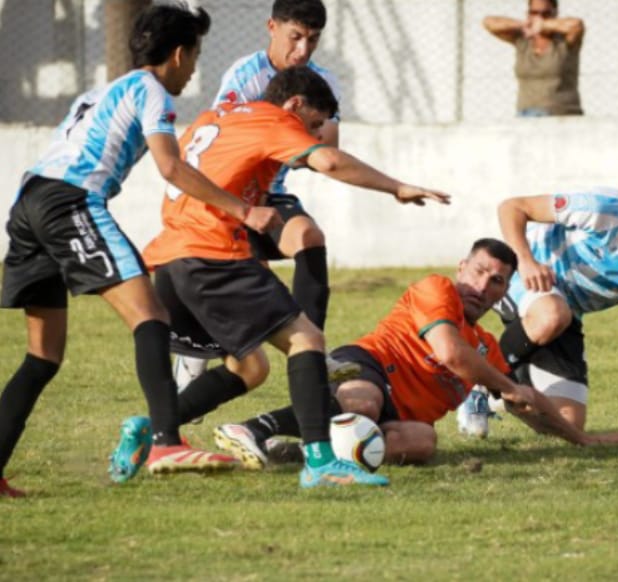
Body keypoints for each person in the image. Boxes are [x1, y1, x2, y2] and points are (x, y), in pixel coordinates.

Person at [110, 65, 450, 487]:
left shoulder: (216, 117)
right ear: (294, 104)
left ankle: (156, 426)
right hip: (212, 253)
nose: (314, 135)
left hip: (172, 257)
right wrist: (396, 187)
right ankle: (321, 463)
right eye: (313, 124)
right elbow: (329, 161)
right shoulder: (273, 119)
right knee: (305, 339)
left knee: (250, 367)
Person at [0, 3, 289, 498]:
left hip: (29, 202)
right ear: (177, 54)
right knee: (150, 315)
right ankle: (166, 444)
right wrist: (245, 211)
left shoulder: (104, 90)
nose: (193, 69)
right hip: (70, 200)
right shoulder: (151, 90)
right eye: (194, 56)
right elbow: (171, 167)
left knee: (42, 356)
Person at [213, 239, 618, 468]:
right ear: (461, 268)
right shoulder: (436, 289)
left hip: (400, 414)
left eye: (497, 282)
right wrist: (507, 386)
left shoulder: (487, 346)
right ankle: (252, 428)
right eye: (479, 272)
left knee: (422, 441)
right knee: (364, 401)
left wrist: (582, 438)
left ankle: (303, 453)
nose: (482, 286)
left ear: (505, 291)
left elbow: (526, 404)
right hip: (368, 365)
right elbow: (450, 353)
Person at [458, 167, 618, 447]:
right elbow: (512, 207)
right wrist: (527, 261)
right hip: (521, 279)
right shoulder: (601, 209)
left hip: (564, 315)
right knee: (552, 314)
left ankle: (502, 393)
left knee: (567, 423)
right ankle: (478, 383)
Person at [173, 0, 340, 390]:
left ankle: (313, 354)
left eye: (313, 40)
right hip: (228, 195)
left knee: (309, 237)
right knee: (249, 284)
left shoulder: (323, 81)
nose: (303, 50)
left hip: (271, 193)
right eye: (295, 37)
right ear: (272, 27)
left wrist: (291, 145)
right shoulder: (245, 75)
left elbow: (327, 147)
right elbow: (224, 137)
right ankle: (196, 353)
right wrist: (290, 142)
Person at [483, 0, 584, 116]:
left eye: (546, 13)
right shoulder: (523, 40)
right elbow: (488, 22)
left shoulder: (564, 40)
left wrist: (542, 25)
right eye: (534, 13)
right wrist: (524, 24)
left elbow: (577, 25)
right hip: (526, 114)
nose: (539, 17)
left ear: (555, 14)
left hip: (561, 114)